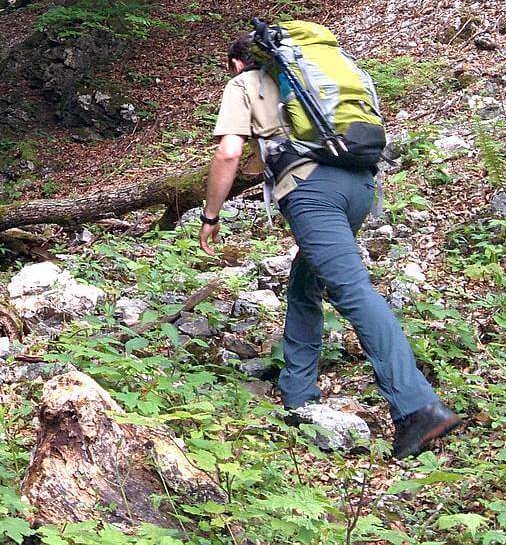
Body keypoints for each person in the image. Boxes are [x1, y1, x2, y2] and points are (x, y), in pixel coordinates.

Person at [198, 35, 463, 460]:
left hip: (312, 193)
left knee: (351, 290)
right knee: (306, 281)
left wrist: (211, 215)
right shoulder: (315, 76)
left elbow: (229, 153)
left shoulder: (245, 82)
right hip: (358, 184)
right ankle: (297, 392)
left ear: (236, 63)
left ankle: (417, 406)